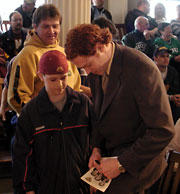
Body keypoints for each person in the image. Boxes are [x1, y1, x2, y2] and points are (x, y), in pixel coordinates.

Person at [65, 24, 175, 194]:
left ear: (100, 47)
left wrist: (121, 163)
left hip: (142, 156)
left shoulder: (140, 69)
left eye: (87, 64)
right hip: (115, 148)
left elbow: (163, 131)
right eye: (82, 68)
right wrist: (96, 148)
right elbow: (99, 115)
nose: (87, 71)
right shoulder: (97, 70)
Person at [13, 50, 94, 194]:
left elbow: (97, 142)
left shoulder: (83, 104)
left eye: (63, 78)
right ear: (41, 76)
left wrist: (96, 178)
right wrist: (27, 188)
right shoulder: (31, 112)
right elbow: (22, 154)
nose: (60, 85)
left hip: (82, 184)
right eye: (53, 80)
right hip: (46, 186)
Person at [8, 4, 81, 114]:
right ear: (35, 27)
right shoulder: (27, 55)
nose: (51, 31)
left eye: (55, 26)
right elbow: (17, 97)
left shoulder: (64, 53)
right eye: (46, 26)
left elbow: (76, 88)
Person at [153, 46, 180, 123]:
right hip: (154, 103)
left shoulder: (172, 71)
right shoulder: (150, 71)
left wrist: (176, 97)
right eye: (162, 56)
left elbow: (175, 89)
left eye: (167, 56)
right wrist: (170, 98)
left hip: (170, 102)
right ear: (155, 58)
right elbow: (151, 93)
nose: (166, 58)